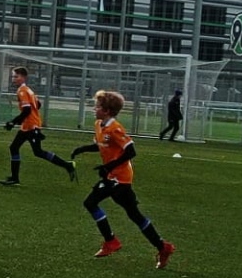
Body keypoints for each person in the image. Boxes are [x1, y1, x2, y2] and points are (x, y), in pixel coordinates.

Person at [71, 89, 175, 268]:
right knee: (130, 213)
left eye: (98, 106)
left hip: (121, 178)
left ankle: (113, 241)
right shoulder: (99, 124)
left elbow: (131, 151)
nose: (95, 109)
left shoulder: (115, 128)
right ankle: (160, 246)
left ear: (107, 111)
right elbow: (101, 145)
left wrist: (109, 166)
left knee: (97, 204)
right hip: (112, 176)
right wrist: (82, 149)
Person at [0, 66, 77, 186]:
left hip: (31, 126)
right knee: (15, 147)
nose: (13, 79)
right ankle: (14, 178)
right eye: (13, 76)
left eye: (16, 76)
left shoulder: (22, 91)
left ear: (23, 77)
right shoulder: (29, 90)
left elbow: (27, 110)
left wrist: (13, 122)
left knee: (37, 151)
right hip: (28, 125)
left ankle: (68, 165)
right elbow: (38, 104)